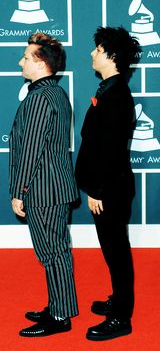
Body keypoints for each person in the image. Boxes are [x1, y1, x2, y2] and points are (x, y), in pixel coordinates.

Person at [9, 33, 79, 337]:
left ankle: (60, 316)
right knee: (56, 252)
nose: (21, 61)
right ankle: (58, 306)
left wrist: (18, 191)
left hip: (43, 189)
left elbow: (31, 150)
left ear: (40, 62)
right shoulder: (55, 93)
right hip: (53, 186)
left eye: (26, 57)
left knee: (52, 253)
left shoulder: (39, 98)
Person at [75, 26, 141, 341]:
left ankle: (121, 318)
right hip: (108, 186)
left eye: (98, 49)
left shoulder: (115, 95)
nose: (92, 53)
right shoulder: (109, 89)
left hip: (109, 189)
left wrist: (97, 190)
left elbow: (110, 150)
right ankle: (118, 300)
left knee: (116, 252)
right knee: (112, 249)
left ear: (111, 56)